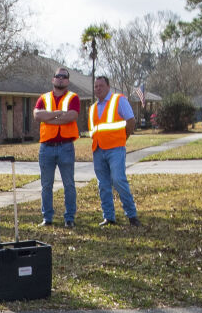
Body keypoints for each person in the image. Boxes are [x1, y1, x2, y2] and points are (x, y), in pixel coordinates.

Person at [89, 76, 139, 227]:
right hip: (98, 150)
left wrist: (123, 138)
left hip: (115, 149)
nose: (98, 88)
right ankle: (109, 217)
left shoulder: (119, 100)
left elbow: (131, 121)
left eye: (101, 86)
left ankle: (132, 216)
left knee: (118, 180)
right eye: (96, 86)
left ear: (108, 86)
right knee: (103, 184)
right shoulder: (92, 108)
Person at [34, 66, 80, 228]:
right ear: (53, 79)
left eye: (64, 77)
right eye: (58, 76)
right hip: (46, 147)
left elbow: (71, 116)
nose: (60, 79)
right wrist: (59, 113)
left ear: (67, 81)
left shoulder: (73, 97)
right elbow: (37, 115)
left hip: (66, 147)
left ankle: (69, 218)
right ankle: (47, 218)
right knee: (46, 185)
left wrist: (49, 117)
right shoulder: (43, 98)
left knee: (69, 184)